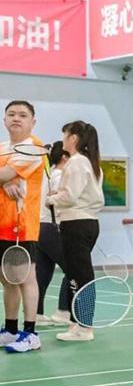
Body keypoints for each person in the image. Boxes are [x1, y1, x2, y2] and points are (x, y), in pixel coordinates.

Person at [49, 121, 104, 343]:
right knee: (75, 274)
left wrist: (51, 199)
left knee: (80, 276)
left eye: (65, 135)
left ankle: (85, 326)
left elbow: (70, 196)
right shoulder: (90, 163)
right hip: (85, 223)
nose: (63, 139)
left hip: (76, 224)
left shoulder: (77, 162)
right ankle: (76, 323)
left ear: (73, 138)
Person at [0, 100, 46, 353]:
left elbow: (6, 174)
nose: (16, 118)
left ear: (32, 121)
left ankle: (31, 334)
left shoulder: (33, 148)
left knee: (26, 279)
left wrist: (6, 178)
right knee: (8, 280)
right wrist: (5, 181)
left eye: (22, 115)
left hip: (22, 223)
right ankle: (10, 330)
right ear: (4, 120)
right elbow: (4, 176)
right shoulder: (3, 148)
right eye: (11, 114)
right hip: (1, 224)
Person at [35, 141, 72, 326]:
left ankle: (36, 313)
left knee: (42, 273)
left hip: (40, 228)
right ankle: (63, 311)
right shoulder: (59, 176)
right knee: (72, 268)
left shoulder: (46, 175)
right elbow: (60, 203)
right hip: (52, 227)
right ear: (64, 157)